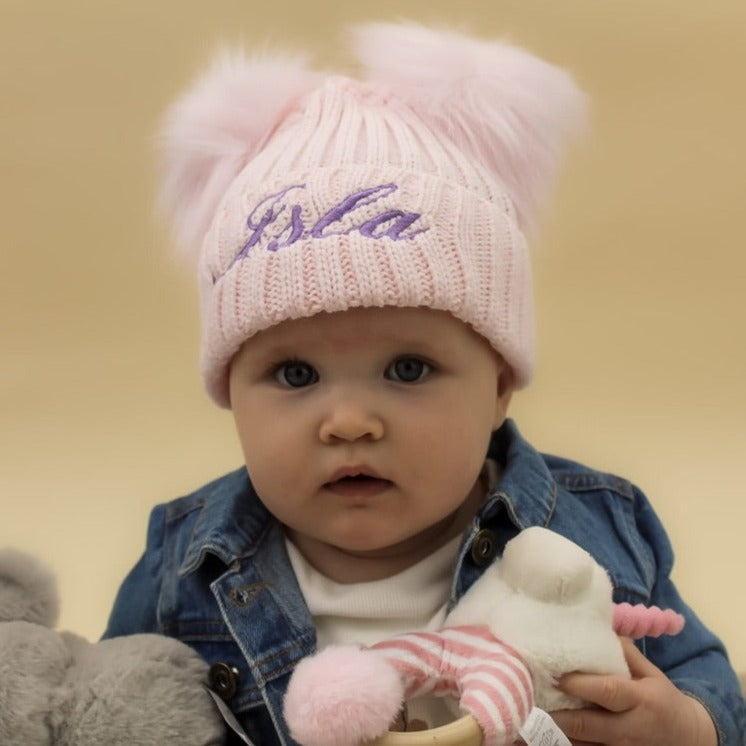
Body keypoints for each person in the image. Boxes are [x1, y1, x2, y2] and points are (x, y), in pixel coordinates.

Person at [103, 22, 745, 746]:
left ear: (500, 384)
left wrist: (689, 725)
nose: (348, 421)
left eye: (408, 370)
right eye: (294, 374)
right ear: (229, 390)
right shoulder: (185, 565)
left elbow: (707, 681)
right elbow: (111, 707)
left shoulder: (592, 537)